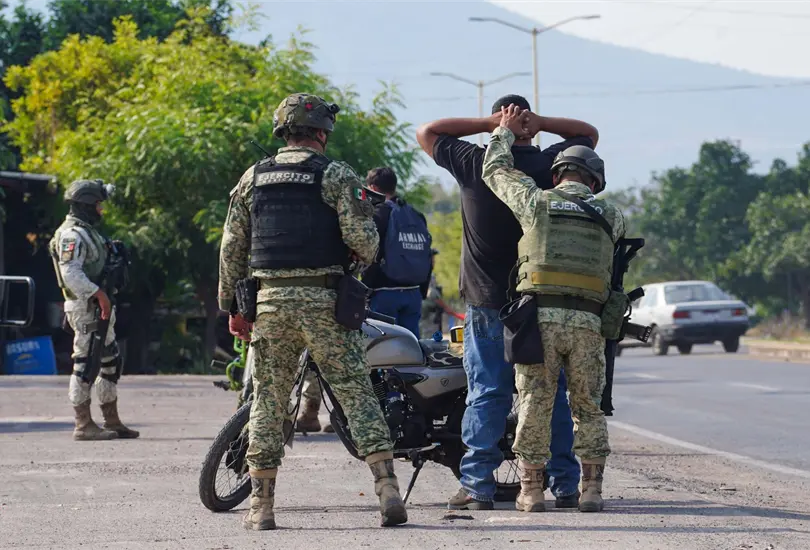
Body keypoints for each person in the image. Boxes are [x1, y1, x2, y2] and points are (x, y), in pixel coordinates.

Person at [218, 93, 407, 530]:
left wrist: (231, 305)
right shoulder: (336, 174)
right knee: (356, 393)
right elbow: (365, 242)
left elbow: (232, 248)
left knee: (268, 399)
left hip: (271, 304)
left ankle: (260, 507)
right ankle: (387, 491)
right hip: (326, 303)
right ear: (322, 132)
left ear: (282, 131)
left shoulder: (253, 177)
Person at [416, 95, 598, 510]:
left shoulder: (475, 162)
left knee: (487, 392)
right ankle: (566, 485)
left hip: (487, 300)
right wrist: (539, 122)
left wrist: (490, 124)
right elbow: (588, 134)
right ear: (530, 127)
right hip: (542, 301)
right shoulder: (550, 166)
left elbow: (427, 131)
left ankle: (478, 485)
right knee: (550, 393)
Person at [482, 104, 626, 513]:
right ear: (595, 181)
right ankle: (591, 490)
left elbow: (494, 171)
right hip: (588, 323)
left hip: (538, 321)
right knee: (588, 406)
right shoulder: (612, 215)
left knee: (534, 403)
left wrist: (504, 133)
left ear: (556, 173)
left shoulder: (536, 202)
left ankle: (530, 492)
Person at [49, 179, 139, 441]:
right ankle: (83, 423)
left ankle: (112, 419)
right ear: (86, 205)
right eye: (98, 205)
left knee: (110, 362)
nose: (101, 210)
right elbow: (71, 274)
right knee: (85, 363)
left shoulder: (88, 232)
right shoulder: (72, 235)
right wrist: (98, 294)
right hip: (85, 306)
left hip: (99, 306)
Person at [361, 167, 432, 338]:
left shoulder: (378, 214)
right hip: (414, 293)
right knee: (411, 352)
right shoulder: (416, 215)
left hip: (384, 293)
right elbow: (427, 255)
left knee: (381, 351)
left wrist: (366, 288)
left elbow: (369, 252)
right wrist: (422, 291)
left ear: (374, 188)